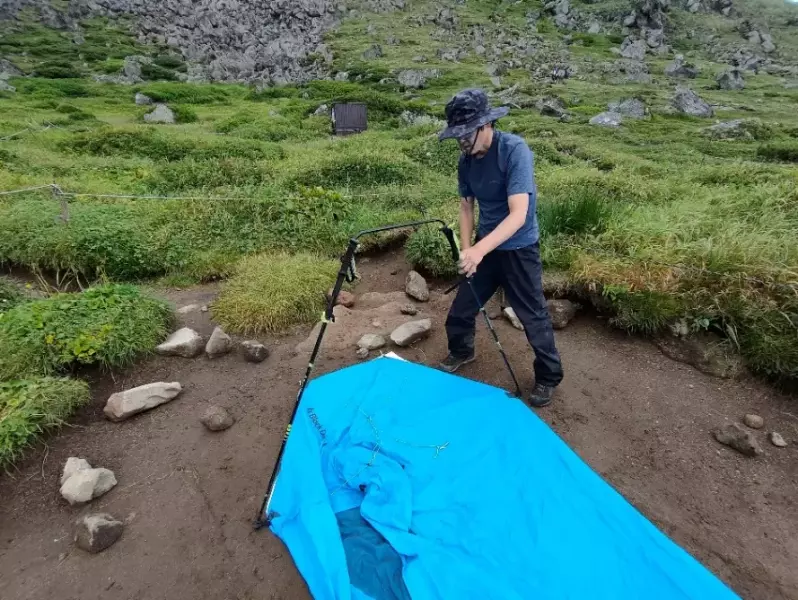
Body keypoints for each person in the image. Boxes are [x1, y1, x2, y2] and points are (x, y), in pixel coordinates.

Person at [437, 88, 564, 408]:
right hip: (485, 246)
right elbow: (466, 207)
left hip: (520, 248)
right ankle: (462, 350)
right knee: (462, 308)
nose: (462, 142)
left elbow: (519, 214)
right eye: (458, 136)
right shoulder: (465, 161)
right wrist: (468, 251)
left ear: (486, 125)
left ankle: (548, 376)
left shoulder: (514, 151)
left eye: (467, 134)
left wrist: (479, 250)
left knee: (532, 313)